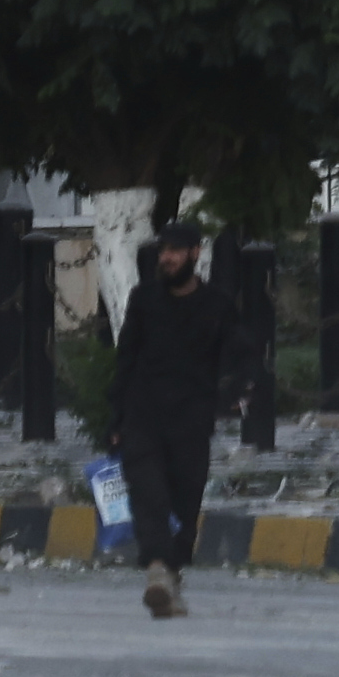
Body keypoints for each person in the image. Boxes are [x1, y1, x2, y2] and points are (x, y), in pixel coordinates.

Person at [110, 226, 235, 618]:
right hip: (143, 417)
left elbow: (236, 356)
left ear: (196, 253)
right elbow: (125, 358)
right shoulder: (144, 300)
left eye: (176, 251)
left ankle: (171, 575)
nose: (167, 258)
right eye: (163, 250)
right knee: (149, 496)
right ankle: (157, 571)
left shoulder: (217, 304)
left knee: (185, 500)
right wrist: (115, 418)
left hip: (191, 422)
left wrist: (237, 394)